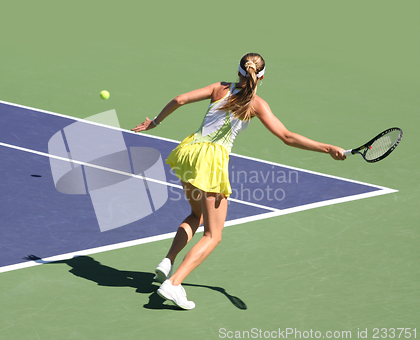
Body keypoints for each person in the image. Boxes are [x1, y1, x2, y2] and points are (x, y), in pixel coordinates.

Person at [131, 52, 346, 310]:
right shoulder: (257, 104)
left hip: (189, 152)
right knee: (213, 235)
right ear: (261, 76)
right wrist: (327, 148)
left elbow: (179, 99)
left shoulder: (219, 88)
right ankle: (174, 284)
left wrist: (154, 122)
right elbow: (287, 137)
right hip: (211, 161)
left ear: (239, 72)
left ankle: (168, 261)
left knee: (195, 215)